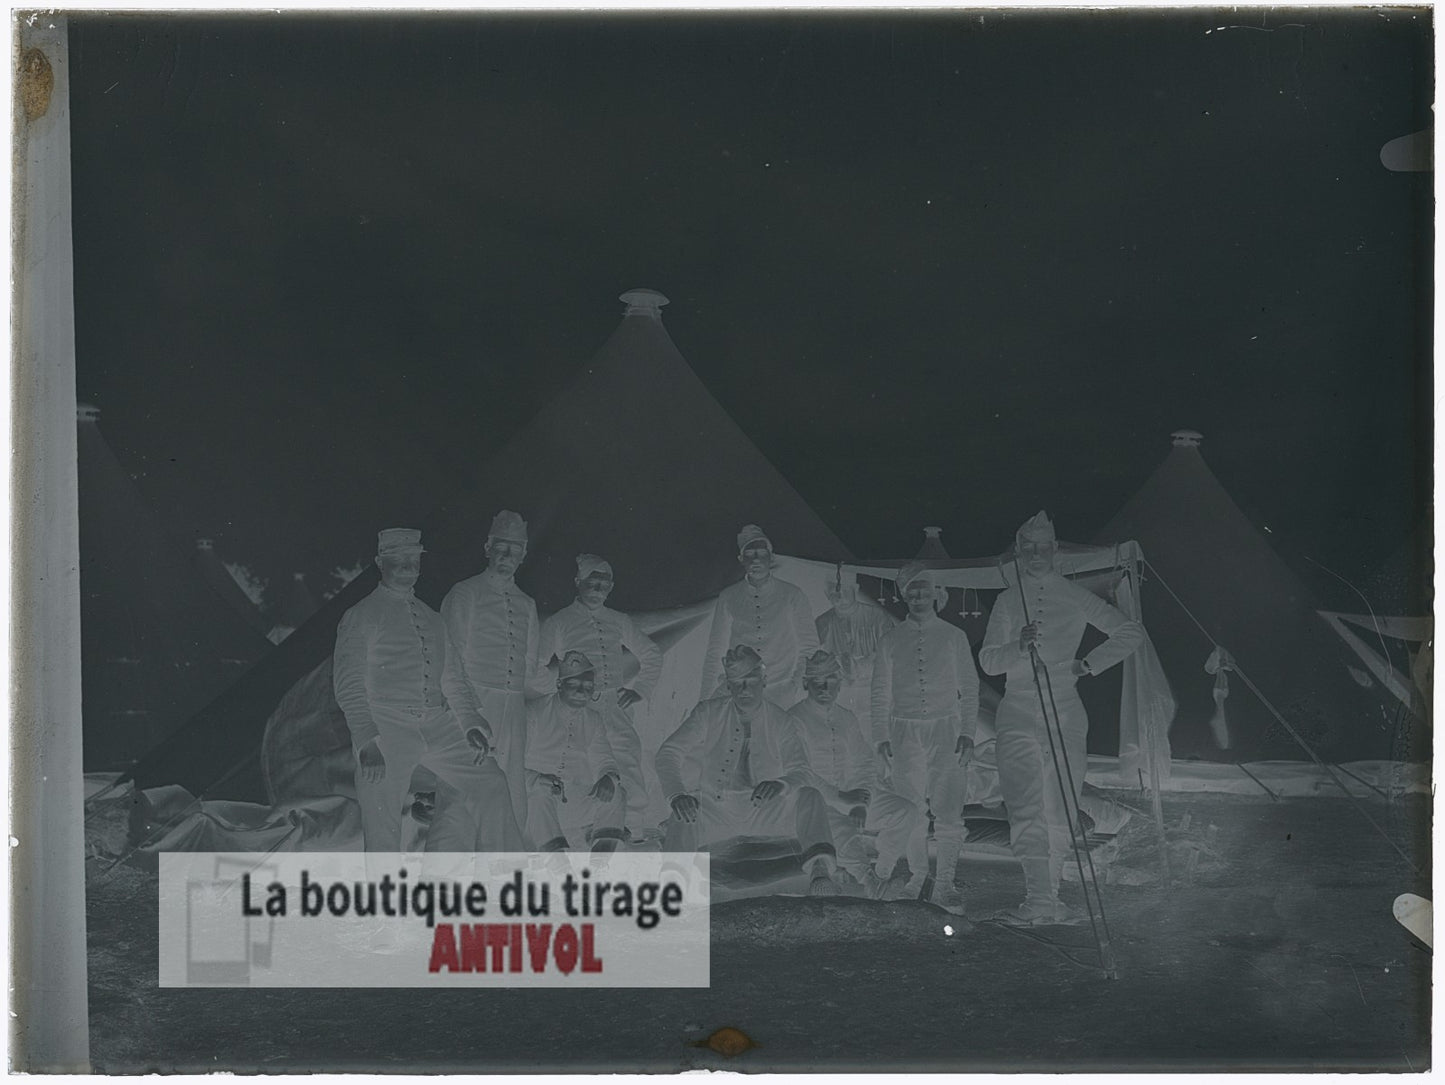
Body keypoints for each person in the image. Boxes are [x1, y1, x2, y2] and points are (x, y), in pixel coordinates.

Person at [979, 511, 1146, 924]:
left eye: (1044, 546)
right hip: (1017, 708)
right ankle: (1035, 898)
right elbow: (987, 661)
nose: (1036, 554)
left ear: (1055, 550)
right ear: (1018, 552)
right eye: (1028, 547)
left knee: (1060, 806)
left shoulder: (1074, 595)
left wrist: (1086, 665)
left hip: (1065, 709)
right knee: (1023, 804)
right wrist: (1016, 647)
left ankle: (1051, 899)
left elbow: (1130, 633)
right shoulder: (1006, 600)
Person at [332, 528, 522, 855]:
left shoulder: (432, 618)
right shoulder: (361, 615)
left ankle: (503, 878)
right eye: (398, 560)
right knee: (382, 816)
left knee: (492, 782)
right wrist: (366, 740)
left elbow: (452, 678)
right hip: (387, 725)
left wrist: (471, 723)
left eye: (413, 560)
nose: (407, 567)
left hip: (438, 723)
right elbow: (348, 682)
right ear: (380, 562)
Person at [657, 645, 841, 894]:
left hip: (764, 813)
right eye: (737, 682)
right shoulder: (707, 712)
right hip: (718, 811)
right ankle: (672, 885)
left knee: (810, 796)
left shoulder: (781, 720)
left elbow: (802, 770)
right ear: (728, 684)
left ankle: (820, 873)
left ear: (764, 681)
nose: (744, 689)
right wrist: (677, 795)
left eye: (751, 681)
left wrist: (780, 784)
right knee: (684, 811)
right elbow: (668, 753)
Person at [870, 562, 979, 915]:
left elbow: (970, 687)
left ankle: (945, 883)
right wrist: (881, 737)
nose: (918, 595)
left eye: (924, 588)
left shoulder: (953, 636)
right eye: (911, 589)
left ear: (936, 593)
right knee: (911, 808)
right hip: (903, 732)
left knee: (948, 809)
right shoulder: (889, 639)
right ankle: (918, 877)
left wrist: (967, 732)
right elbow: (879, 693)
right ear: (903, 594)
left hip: (945, 729)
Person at [535, 554, 662, 842]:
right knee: (585, 759)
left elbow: (651, 653)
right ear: (577, 582)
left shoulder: (618, 620)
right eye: (591, 581)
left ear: (611, 586)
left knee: (626, 754)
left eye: (604, 583)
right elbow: (536, 663)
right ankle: (591, 823)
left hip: (613, 702)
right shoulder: (560, 621)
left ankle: (632, 823)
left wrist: (639, 690)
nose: (597, 588)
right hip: (580, 704)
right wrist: (557, 694)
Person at [789, 650, 915, 898]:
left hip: (852, 795)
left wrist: (862, 802)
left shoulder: (846, 718)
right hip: (815, 800)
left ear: (840, 683)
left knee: (905, 811)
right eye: (817, 681)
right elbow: (800, 771)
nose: (825, 687)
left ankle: (882, 874)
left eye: (832, 680)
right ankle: (869, 881)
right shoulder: (793, 719)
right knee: (840, 822)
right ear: (806, 683)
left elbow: (864, 764)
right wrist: (842, 798)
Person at [440, 510, 537, 831]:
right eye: (502, 547)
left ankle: (507, 861)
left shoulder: (526, 604)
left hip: (514, 706)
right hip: (476, 701)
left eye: (516, 549)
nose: (508, 555)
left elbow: (531, 662)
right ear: (487, 548)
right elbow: (450, 657)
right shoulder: (465, 593)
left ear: (523, 555)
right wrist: (466, 710)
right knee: (468, 776)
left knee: (512, 778)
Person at [506, 650, 626, 853]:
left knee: (616, 792)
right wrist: (536, 779)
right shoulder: (533, 712)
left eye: (588, 687)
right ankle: (558, 867)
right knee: (540, 795)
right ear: (559, 685)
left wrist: (608, 776)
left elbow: (604, 758)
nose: (581, 692)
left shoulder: (593, 719)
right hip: (530, 803)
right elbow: (510, 763)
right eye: (574, 685)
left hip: (570, 803)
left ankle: (598, 868)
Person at [698, 524, 819, 706]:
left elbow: (809, 646)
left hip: (780, 690)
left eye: (761, 553)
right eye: (749, 554)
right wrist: (704, 699)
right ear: (741, 559)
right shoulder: (728, 597)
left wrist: (794, 685)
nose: (756, 559)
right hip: (739, 690)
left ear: (771, 557)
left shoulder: (793, 595)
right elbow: (715, 650)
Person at [815, 569, 897, 720]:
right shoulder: (822, 623)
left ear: (856, 589)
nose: (841, 597)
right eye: (835, 592)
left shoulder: (877, 617)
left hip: (874, 692)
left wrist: (859, 666)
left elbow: (892, 654)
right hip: (841, 694)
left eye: (846, 590)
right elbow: (815, 661)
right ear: (827, 594)